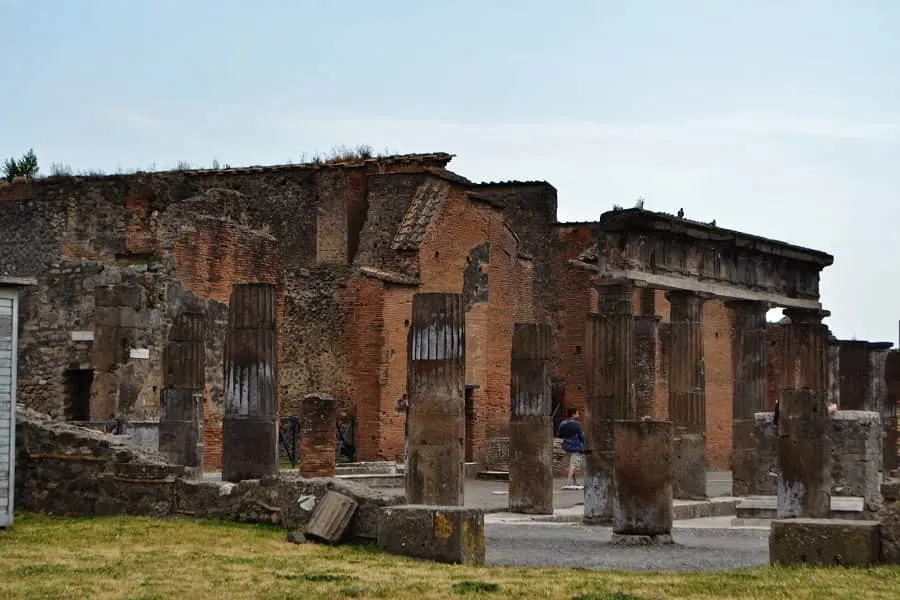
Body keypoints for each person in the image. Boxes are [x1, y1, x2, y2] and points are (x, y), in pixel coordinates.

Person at [556, 407, 586, 490]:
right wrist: (584, 444)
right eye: (577, 413)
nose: (578, 415)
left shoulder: (563, 423)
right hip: (576, 446)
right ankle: (568, 482)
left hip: (566, 446)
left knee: (571, 464)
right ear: (573, 414)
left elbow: (559, 434)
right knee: (573, 464)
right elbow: (581, 436)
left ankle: (575, 481)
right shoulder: (577, 424)